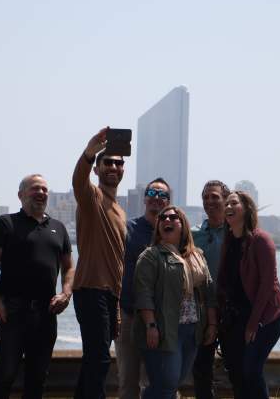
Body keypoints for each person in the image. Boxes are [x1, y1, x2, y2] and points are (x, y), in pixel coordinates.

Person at [0, 174, 74, 399]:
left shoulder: (59, 228)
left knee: (37, 378)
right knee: (5, 374)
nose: (41, 193)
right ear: (21, 195)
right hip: (12, 311)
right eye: (35, 189)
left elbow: (69, 268)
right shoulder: (6, 223)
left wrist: (66, 293)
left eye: (44, 189)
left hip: (46, 313)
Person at [134, 206, 218, 399]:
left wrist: (212, 324)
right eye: (163, 217)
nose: (167, 220)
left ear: (183, 225)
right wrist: (151, 325)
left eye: (174, 217)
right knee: (166, 385)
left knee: (172, 384)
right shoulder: (151, 256)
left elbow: (209, 291)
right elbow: (143, 293)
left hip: (192, 331)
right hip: (164, 330)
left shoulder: (197, 256)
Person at [72, 127, 127, 399]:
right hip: (90, 289)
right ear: (97, 169)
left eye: (119, 163)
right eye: (108, 162)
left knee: (94, 359)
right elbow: (78, 180)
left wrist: (116, 307)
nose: (114, 167)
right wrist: (89, 152)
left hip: (108, 295)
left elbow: (118, 263)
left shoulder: (120, 210)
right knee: (100, 359)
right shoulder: (91, 196)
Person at [217, 191, 280, 399]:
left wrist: (252, 324)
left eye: (234, 203)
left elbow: (267, 285)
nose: (228, 207)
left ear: (246, 209)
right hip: (236, 316)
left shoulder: (261, 240)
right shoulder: (228, 239)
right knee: (236, 373)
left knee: (251, 371)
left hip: (266, 317)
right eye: (226, 204)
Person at [116, 178, 171, 399]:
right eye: (153, 192)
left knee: (160, 382)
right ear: (144, 197)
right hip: (128, 314)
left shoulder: (173, 232)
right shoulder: (128, 229)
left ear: (168, 202)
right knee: (127, 381)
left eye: (162, 195)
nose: (156, 198)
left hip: (163, 319)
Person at [191, 180, 230, 399]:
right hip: (203, 311)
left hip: (231, 311)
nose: (209, 201)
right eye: (205, 197)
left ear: (226, 200)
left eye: (215, 197)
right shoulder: (193, 233)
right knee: (201, 369)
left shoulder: (236, 231)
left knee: (237, 367)